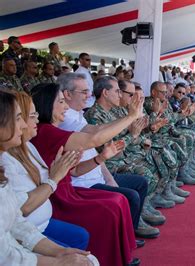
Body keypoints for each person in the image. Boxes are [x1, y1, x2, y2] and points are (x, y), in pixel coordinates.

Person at [29, 82, 143, 266]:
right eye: (61, 102)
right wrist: (131, 116)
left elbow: (74, 171)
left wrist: (101, 158)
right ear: (47, 104)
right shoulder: (45, 131)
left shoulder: (53, 130)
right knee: (110, 207)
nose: (66, 106)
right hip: (60, 198)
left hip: (68, 192)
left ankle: (120, 257)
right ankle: (110, 260)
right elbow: (94, 138)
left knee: (119, 200)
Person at [57, 73, 162, 238]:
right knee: (133, 192)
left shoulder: (77, 115)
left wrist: (109, 178)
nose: (88, 95)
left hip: (98, 171)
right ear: (67, 94)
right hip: (84, 182)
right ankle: (127, 236)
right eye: (83, 92)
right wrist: (131, 118)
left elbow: (97, 149)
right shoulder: (66, 119)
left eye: (88, 91)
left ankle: (131, 229)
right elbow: (97, 136)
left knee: (141, 182)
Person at [0, 89, 94, 266]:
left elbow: (14, 222)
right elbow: (5, 254)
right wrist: (56, 261)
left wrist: (59, 251)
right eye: (19, 118)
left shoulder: (25, 148)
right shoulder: (7, 159)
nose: (24, 125)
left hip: (34, 230)